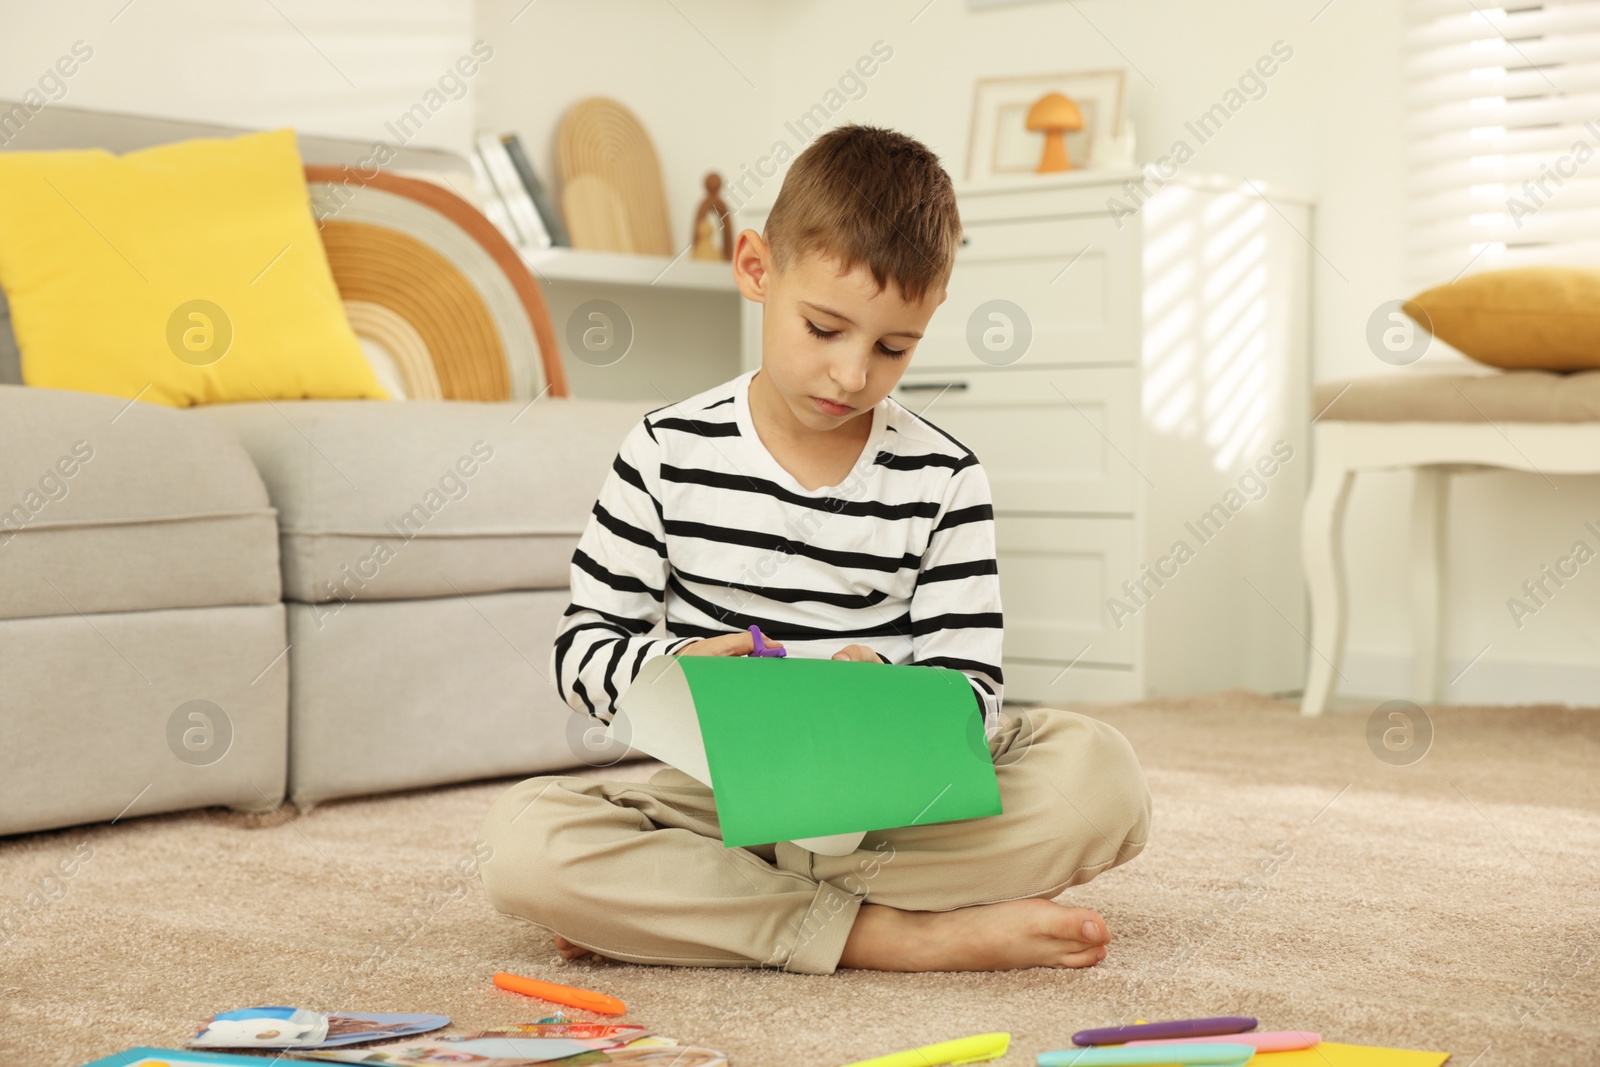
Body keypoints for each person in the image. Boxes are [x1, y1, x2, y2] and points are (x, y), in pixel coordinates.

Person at [478, 123, 1150, 976]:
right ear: (757, 269)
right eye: (824, 328)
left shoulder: (944, 476)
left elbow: (974, 688)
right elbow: (580, 653)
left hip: (892, 807)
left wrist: (892, 704)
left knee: (1100, 775)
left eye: (892, 348)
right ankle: (885, 932)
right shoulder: (663, 447)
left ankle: (704, 912)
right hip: (714, 799)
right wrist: (683, 662)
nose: (850, 374)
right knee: (522, 842)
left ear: (927, 320)